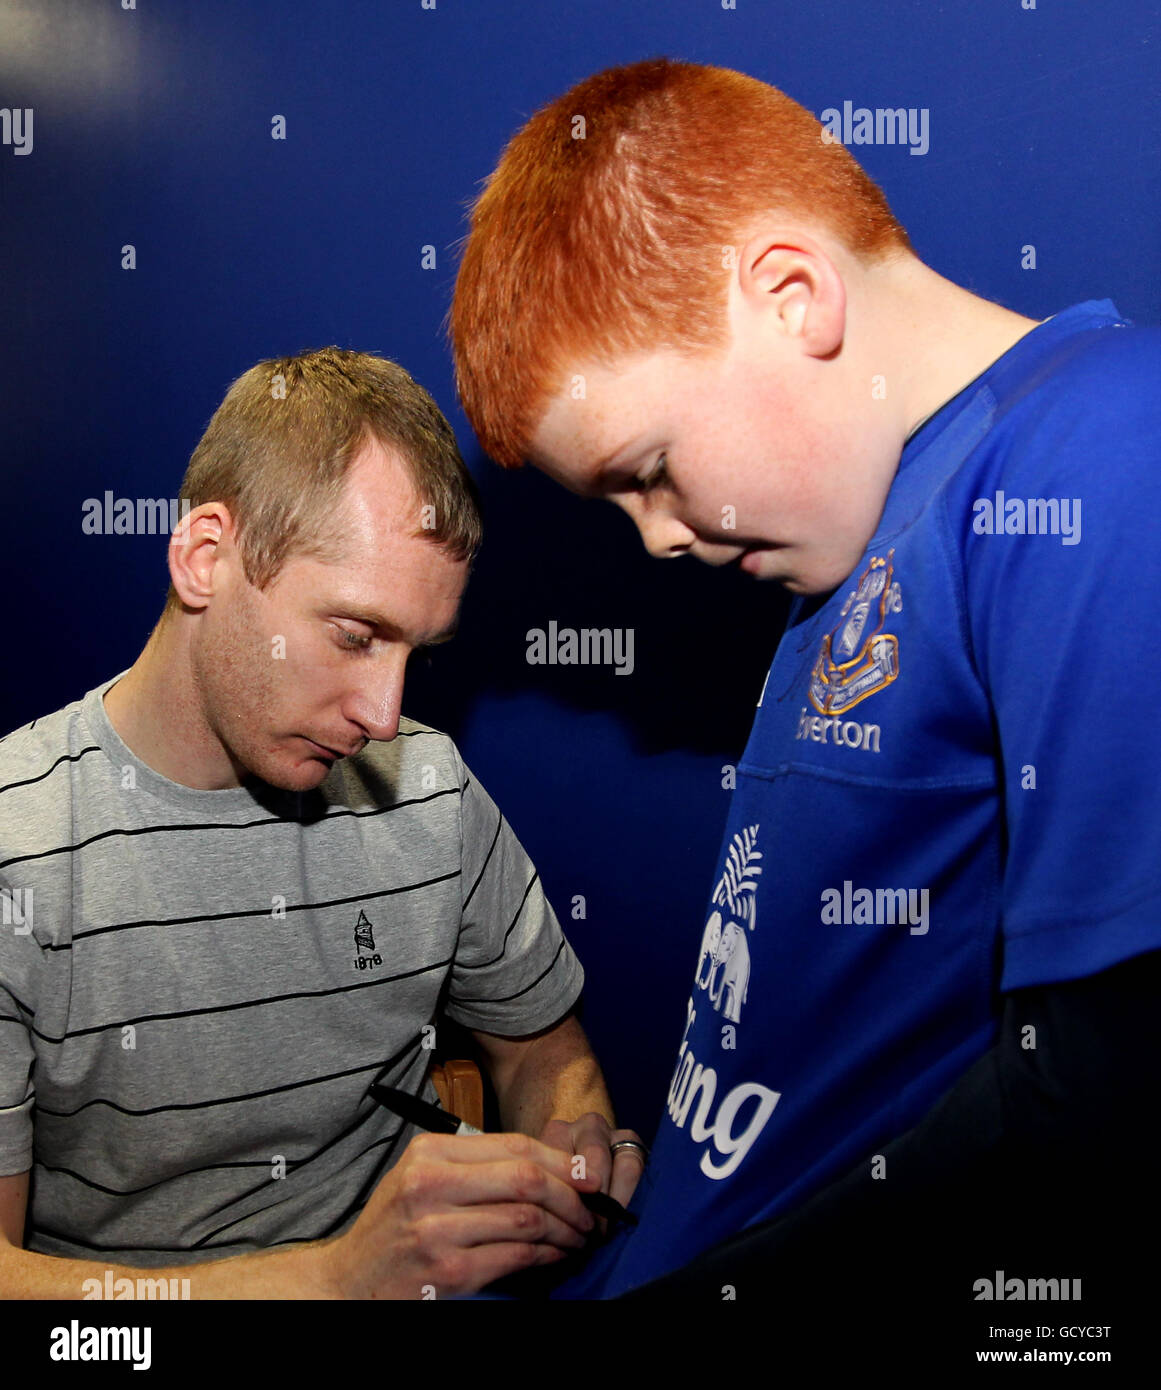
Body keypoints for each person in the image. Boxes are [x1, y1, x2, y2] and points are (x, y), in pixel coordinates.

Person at [449, 58, 1161, 1307]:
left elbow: (1104, 1082)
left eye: (650, 469)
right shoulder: (855, 541)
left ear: (791, 295)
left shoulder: (1098, 444)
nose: (659, 538)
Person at [0, 347, 646, 1300]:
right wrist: (337, 1279)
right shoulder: (21, 853)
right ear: (205, 558)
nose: (383, 716)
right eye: (353, 634)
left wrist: (575, 1141)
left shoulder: (425, 785)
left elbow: (543, 1050)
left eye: (412, 654)